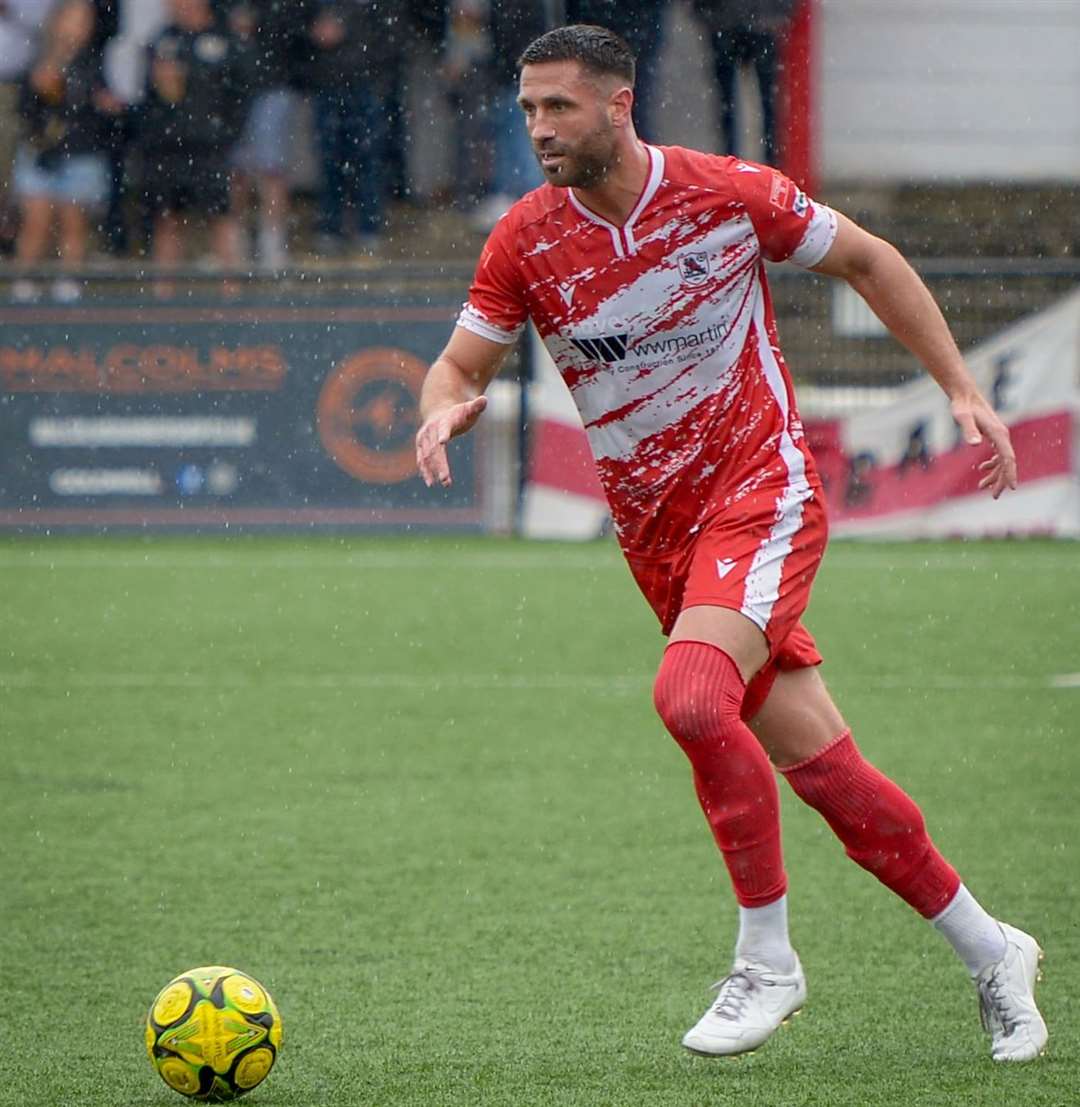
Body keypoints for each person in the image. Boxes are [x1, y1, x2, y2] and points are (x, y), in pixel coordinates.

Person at [414, 24, 1047, 1064]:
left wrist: (962, 389)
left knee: (690, 700)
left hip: (764, 495)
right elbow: (458, 365)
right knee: (827, 771)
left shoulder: (726, 193)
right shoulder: (525, 241)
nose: (538, 129)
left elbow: (869, 260)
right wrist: (446, 407)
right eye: (528, 110)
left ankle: (768, 963)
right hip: (662, 545)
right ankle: (993, 949)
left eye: (558, 107)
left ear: (619, 105)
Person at [135, 0, 250, 293]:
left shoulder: (225, 40)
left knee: (222, 218)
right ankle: (163, 295)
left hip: (210, 149)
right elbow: (146, 98)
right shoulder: (162, 40)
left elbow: (240, 96)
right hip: (169, 149)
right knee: (168, 220)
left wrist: (223, 135)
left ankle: (232, 292)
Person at [11, 0, 120, 302]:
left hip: (81, 153)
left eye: (83, 20)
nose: (77, 27)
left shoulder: (93, 62)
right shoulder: (38, 57)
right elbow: (25, 111)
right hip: (41, 153)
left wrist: (98, 103)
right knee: (35, 222)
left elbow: (102, 109)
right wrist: (38, 91)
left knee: (74, 221)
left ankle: (68, 281)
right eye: (72, 19)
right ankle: (24, 281)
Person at [692, 0, 795, 164]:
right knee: (767, 105)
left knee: (729, 106)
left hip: (726, 19)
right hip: (757, 19)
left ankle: (729, 169)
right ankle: (769, 168)